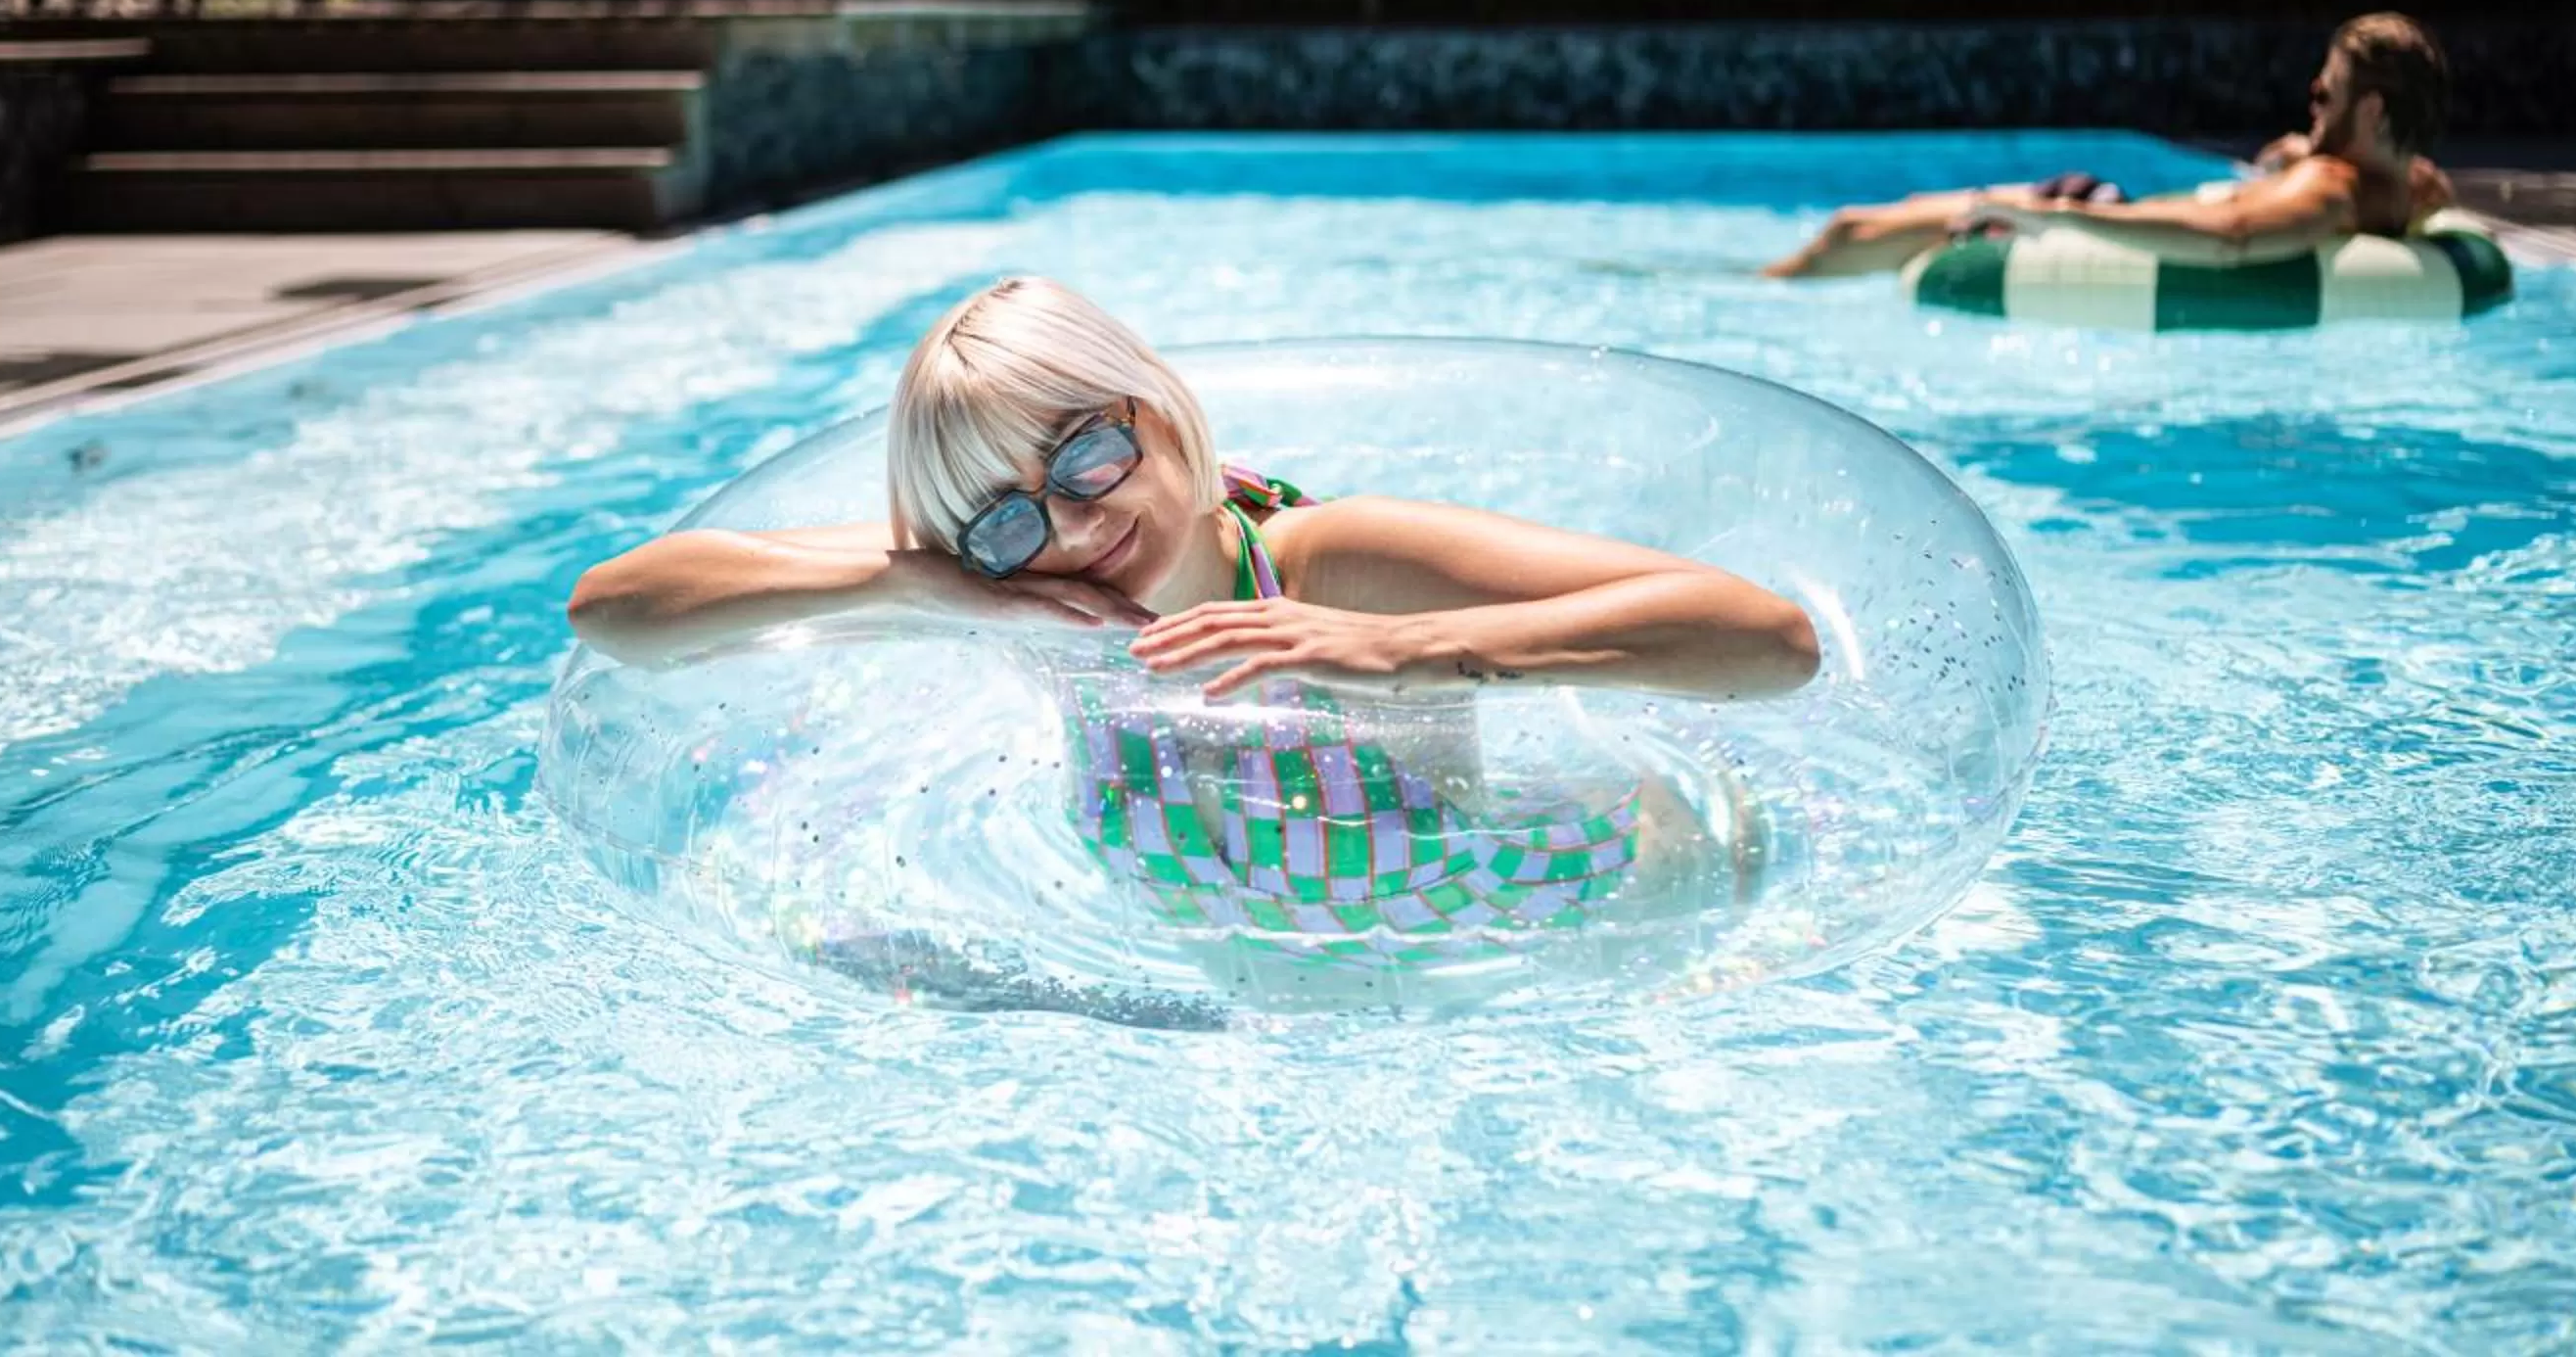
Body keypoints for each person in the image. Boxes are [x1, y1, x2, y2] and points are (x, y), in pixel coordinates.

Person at [570, 277, 1818, 967]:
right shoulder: (1019, 587)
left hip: (1618, 912)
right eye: (1003, 518)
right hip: (1326, 986)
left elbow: (1766, 637)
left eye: (1089, 455)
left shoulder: (1340, 560)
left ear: (1155, 407)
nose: (1067, 526)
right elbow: (616, 611)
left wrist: (1405, 649)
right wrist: (913, 580)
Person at [1760, 13, 2454, 278]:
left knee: (1849, 231)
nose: (2312, 99)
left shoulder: (2331, 183)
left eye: (2324, 94)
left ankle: (1746, 287)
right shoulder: (2413, 182)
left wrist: (2059, 218)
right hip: (2111, 205)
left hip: (2094, 210)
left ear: (2370, 109)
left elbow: (2232, 234)